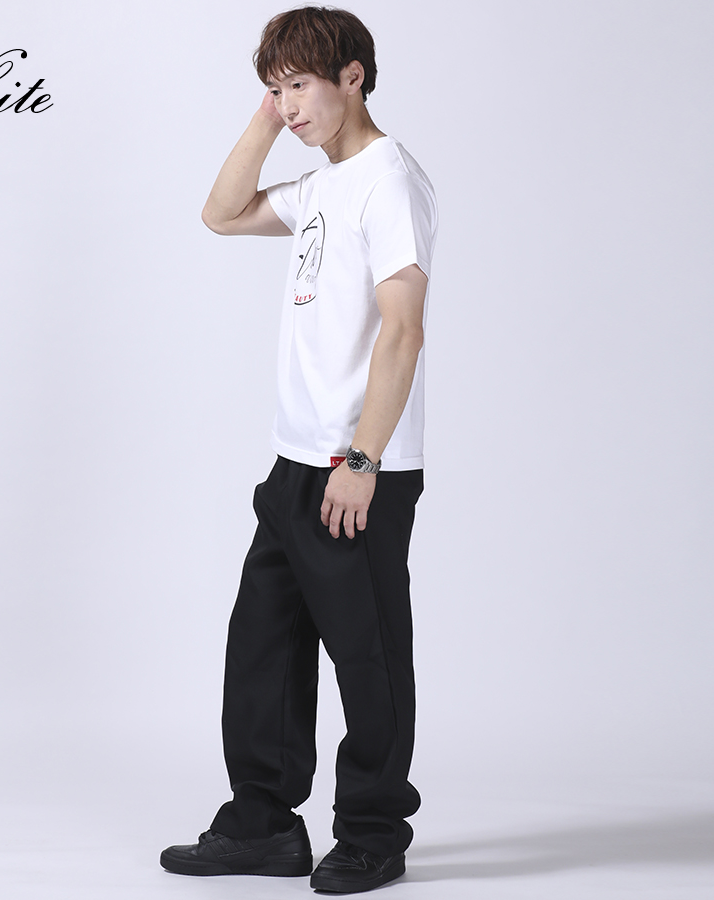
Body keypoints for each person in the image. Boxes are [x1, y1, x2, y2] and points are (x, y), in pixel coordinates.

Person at [160, 6, 438, 894]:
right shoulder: (323, 186)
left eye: (300, 85)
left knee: (367, 656)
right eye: (275, 89)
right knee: (264, 648)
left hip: (358, 469)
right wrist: (268, 114)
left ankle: (373, 833)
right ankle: (263, 826)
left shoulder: (389, 181)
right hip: (293, 463)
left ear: (354, 76)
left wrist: (362, 460)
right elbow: (220, 213)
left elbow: (403, 331)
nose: (287, 105)